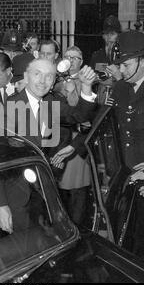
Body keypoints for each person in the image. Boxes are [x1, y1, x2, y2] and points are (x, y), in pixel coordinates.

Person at [0, 58, 97, 234]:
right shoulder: (8, 108)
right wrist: (0, 204)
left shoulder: (52, 103)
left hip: (46, 196)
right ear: (26, 76)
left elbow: (80, 115)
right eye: (37, 74)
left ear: (54, 81)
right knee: (22, 250)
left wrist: (86, 88)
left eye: (49, 76)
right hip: (16, 199)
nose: (42, 81)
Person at [108, 30, 144, 262]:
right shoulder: (120, 89)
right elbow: (106, 124)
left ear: (143, 60)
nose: (122, 71)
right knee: (125, 244)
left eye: (126, 65)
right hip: (127, 181)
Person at [51, 46, 93, 225]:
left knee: (77, 191)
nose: (71, 60)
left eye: (75, 58)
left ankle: (78, 227)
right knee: (59, 191)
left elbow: (85, 114)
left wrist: (73, 89)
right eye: (68, 57)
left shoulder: (90, 81)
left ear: (81, 62)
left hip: (78, 139)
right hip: (59, 139)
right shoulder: (56, 81)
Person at [90, 15, 122, 104]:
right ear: (103, 36)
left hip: (119, 98)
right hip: (101, 98)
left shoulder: (123, 56)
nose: (109, 37)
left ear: (118, 36)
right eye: (106, 34)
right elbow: (90, 78)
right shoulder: (97, 56)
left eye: (112, 34)